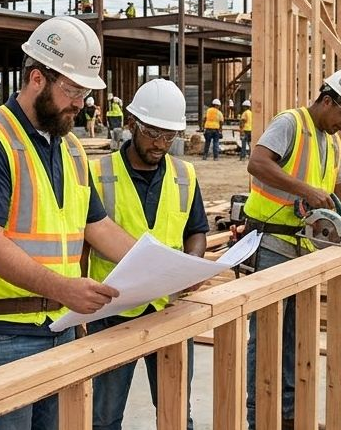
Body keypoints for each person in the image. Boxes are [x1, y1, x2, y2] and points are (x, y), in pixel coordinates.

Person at [0, 16, 136, 430]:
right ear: (37, 78)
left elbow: (98, 227)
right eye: (72, 90)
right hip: (3, 333)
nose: (81, 103)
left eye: (85, 92)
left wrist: (164, 267)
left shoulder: (70, 146)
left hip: (60, 328)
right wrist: (65, 289)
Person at [243, 68, 341, 430]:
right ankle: (257, 419)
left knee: (295, 336)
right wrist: (304, 189)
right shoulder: (290, 123)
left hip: (304, 248)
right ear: (327, 100)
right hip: (271, 243)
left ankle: (289, 416)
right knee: (265, 339)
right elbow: (257, 162)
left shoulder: (331, 140)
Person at [87, 78, 208, 430]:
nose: (160, 144)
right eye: (153, 133)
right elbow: (84, 241)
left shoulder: (184, 175)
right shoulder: (100, 173)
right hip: (111, 311)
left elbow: (196, 230)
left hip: (170, 307)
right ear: (130, 124)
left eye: (169, 136)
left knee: (175, 412)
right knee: (104, 417)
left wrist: (193, 267)